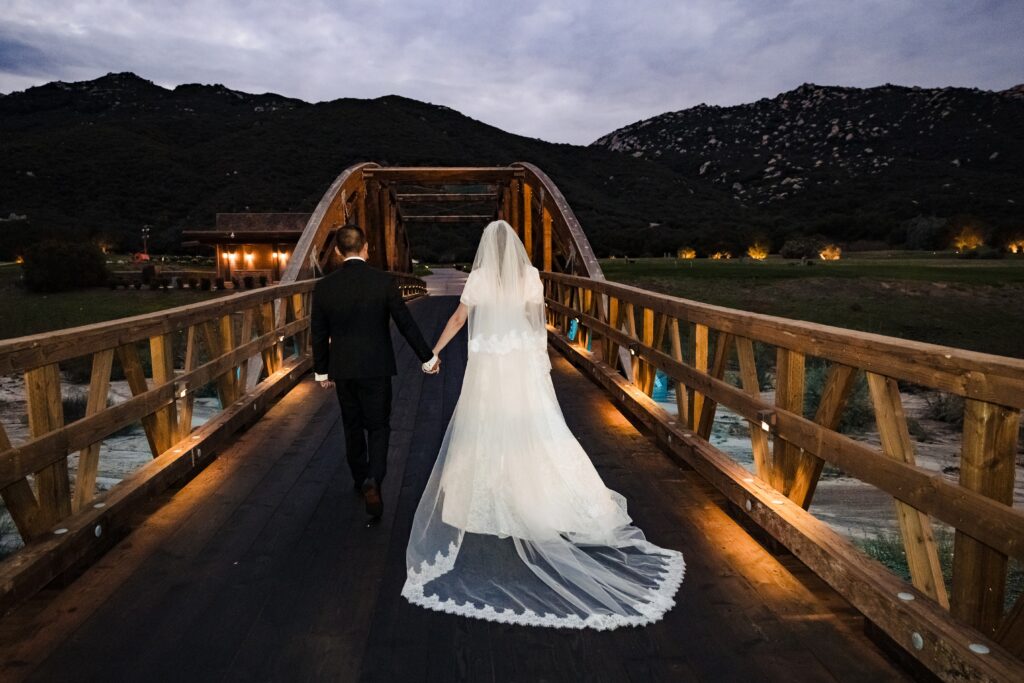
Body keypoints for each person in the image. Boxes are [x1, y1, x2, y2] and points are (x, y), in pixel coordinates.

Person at [402, 220, 684, 629]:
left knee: (485, 423)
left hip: (488, 369)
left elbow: (460, 320)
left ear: (487, 249)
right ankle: (541, 494)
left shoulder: (479, 278)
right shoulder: (531, 276)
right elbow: (537, 323)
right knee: (536, 429)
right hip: (520, 365)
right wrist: (538, 363)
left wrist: (433, 352)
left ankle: (487, 496)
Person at [311, 224, 440, 519]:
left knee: (352, 425)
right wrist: (428, 358)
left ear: (338, 252)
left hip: (343, 368)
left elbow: (318, 332)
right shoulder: (383, 282)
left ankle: (359, 479)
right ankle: (374, 479)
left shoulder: (325, 287)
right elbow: (406, 323)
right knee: (379, 426)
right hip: (377, 366)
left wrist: (321, 371)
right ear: (366, 248)